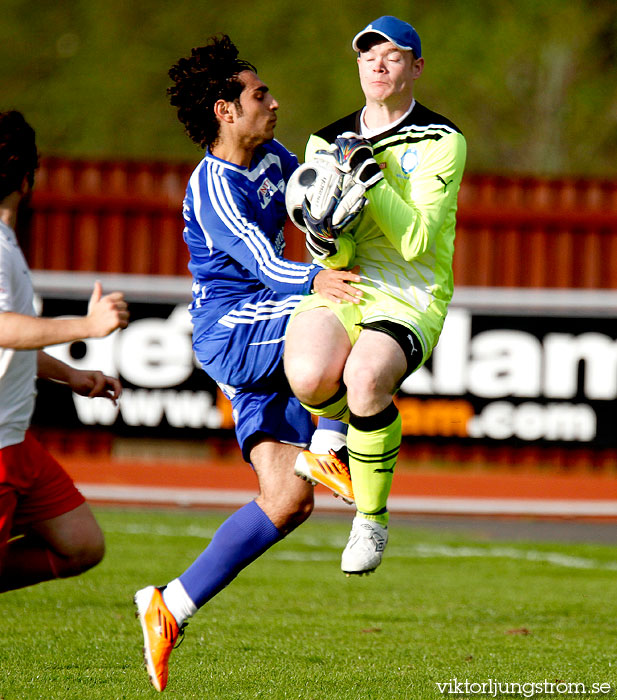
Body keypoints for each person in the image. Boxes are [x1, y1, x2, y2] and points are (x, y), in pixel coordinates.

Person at [134, 35, 360, 693]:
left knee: (287, 502)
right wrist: (320, 277)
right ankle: (332, 442)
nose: (273, 101)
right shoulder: (213, 187)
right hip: (233, 330)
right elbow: (264, 267)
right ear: (224, 110)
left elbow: (311, 197)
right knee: (339, 314)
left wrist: (344, 181)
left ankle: (170, 604)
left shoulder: (271, 157)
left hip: (268, 326)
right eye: (259, 94)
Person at [284, 16, 467, 576]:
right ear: (358, 66)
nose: (379, 65)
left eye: (393, 55)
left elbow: (414, 241)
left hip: (411, 293)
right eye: (369, 56)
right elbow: (330, 250)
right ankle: (342, 431)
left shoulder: (443, 140)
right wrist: (323, 239)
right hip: (349, 283)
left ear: (416, 67)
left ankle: (371, 518)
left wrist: (371, 175)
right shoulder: (325, 138)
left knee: (365, 378)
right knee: (308, 375)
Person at [0, 110, 129, 593]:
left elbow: (14, 343)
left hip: (15, 443)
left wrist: (71, 376)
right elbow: (4, 328)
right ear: (29, 178)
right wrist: (89, 326)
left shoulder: (7, 241)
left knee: (79, 543)